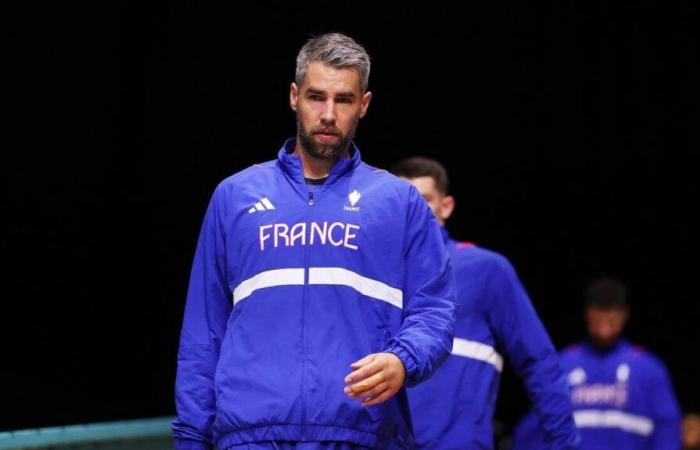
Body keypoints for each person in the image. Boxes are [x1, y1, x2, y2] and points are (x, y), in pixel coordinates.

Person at [171, 33, 457, 450]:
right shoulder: (234, 196)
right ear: (293, 96)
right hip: (250, 436)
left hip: (363, 433)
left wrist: (402, 359)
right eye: (315, 97)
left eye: (343, 100)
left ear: (364, 105)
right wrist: (191, 438)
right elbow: (203, 331)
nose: (327, 114)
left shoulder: (399, 201)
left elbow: (434, 311)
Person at [390, 157, 579, 450]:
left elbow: (538, 362)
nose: (414, 209)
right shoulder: (370, 270)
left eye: (424, 199)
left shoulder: (485, 270)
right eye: (405, 199)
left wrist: (565, 445)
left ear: (446, 206)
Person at [512, 276, 682, 450]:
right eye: (598, 314)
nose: (604, 323)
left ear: (625, 315)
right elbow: (531, 431)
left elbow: (667, 431)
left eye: (612, 315)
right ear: (587, 313)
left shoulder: (650, 369)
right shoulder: (561, 365)